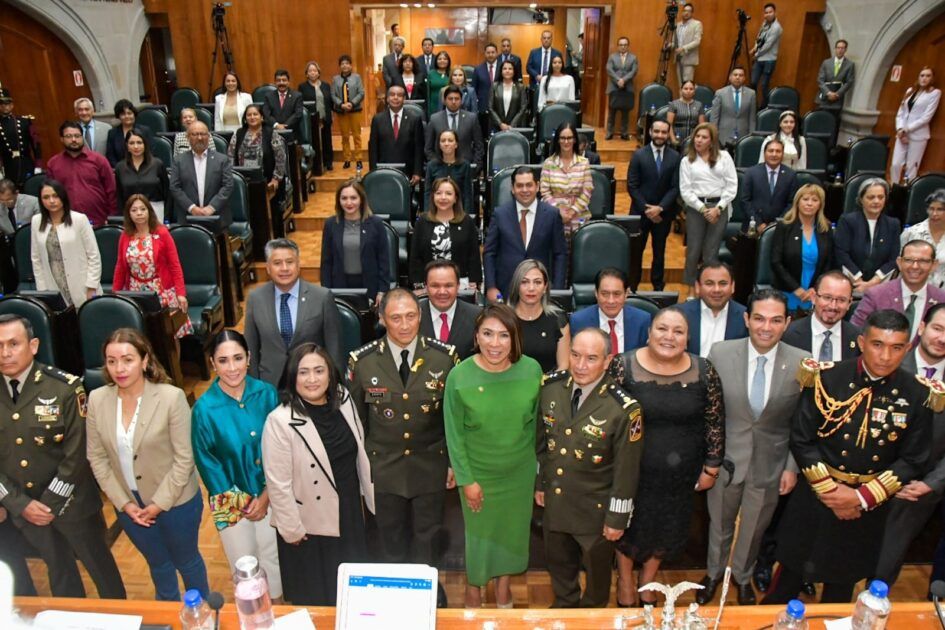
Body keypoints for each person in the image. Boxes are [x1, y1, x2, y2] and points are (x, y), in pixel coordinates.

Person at [763, 309, 936, 604]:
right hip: (816, 499)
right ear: (861, 342)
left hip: (866, 509)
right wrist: (832, 492)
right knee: (785, 585)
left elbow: (913, 459)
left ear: (907, 348)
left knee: (841, 591)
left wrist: (861, 498)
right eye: (877, 344)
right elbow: (802, 438)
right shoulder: (828, 377)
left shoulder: (918, 394)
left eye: (896, 348)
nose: (885, 356)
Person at [0, 314, 126, 599]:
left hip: (73, 505)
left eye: (13, 343)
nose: (5, 353)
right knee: (60, 574)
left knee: (103, 573)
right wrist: (19, 503)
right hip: (26, 508)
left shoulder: (64, 388)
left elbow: (78, 454)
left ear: (33, 345)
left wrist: (47, 504)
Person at [347, 289, 460, 607]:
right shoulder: (363, 361)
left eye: (411, 316)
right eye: (395, 317)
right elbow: (357, 423)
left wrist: (451, 462)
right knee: (390, 538)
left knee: (429, 535)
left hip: (430, 464)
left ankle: (426, 590)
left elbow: (453, 419)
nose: (405, 324)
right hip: (384, 468)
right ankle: (396, 596)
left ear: (420, 316)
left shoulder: (444, 357)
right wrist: (362, 470)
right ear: (382, 320)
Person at [696, 290, 807, 606]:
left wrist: (791, 467)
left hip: (770, 464)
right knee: (719, 524)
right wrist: (709, 458)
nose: (766, 327)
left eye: (775, 320)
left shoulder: (801, 362)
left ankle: (742, 578)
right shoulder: (720, 352)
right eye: (759, 318)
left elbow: (800, 422)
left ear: (786, 323)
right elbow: (709, 412)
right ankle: (714, 574)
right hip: (726, 462)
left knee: (755, 529)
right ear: (746, 319)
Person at [609, 306, 724, 607]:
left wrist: (711, 467)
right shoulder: (623, 365)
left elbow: (714, 422)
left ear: (688, 338)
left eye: (678, 331)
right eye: (662, 328)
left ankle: (647, 579)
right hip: (631, 473)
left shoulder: (705, 370)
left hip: (679, 476)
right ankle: (624, 579)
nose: (669, 336)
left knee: (665, 527)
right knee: (627, 526)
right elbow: (607, 419)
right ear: (649, 333)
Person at [85, 328, 208, 601]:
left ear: (144, 360)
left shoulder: (171, 397)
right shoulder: (97, 399)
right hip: (129, 505)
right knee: (159, 566)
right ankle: (167, 616)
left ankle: (204, 616)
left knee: (187, 562)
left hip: (175, 501)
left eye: (127, 359)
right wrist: (124, 503)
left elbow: (184, 458)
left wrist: (158, 504)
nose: (119, 368)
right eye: (111, 360)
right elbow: (97, 457)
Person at [536, 328, 643, 608]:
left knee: (597, 581)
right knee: (559, 567)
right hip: (557, 502)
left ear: (607, 361)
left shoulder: (624, 409)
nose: (581, 365)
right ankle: (565, 606)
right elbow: (542, 444)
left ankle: (591, 617)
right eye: (575, 355)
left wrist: (617, 519)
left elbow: (626, 471)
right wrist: (540, 484)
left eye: (591, 358)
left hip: (595, 514)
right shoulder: (550, 387)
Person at [445, 304, 543, 608]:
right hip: (479, 474)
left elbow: (538, 427)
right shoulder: (459, 376)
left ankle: (503, 588)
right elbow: (454, 436)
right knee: (480, 536)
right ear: (476, 336)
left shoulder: (532, 370)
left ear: (514, 339)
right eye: (487, 334)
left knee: (511, 535)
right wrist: (467, 480)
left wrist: (538, 476)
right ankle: (474, 589)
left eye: (503, 335)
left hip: (519, 474)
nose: (495, 343)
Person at [262, 343, 374, 605]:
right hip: (309, 525)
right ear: (292, 377)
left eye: (319, 370)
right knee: (317, 597)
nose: (312, 379)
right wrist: (291, 530)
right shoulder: (279, 421)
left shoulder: (343, 399)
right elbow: (278, 484)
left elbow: (359, 449)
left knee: (351, 591)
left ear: (330, 373)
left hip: (348, 511)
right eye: (303, 372)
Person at [191, 329, 282, 600]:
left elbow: (281, 448)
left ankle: (277, 609)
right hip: (230, 504)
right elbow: (207, 462)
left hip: (271, 495)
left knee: (273, 560)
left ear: (249, 358)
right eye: (223, 360)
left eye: (238, 358)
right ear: (212, 363)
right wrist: (242, 503)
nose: (232, 368)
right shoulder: (204, 409)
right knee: (244, 566)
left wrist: (266, 496)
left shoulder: (267, 394)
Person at [875, 303, 945, 590]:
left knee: (885, 565)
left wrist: (932, 483)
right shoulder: (885, 361)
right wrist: (885, 481)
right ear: (921, 328)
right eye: (938, 328)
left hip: (919, 492)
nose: (943, 338)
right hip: (870, 481)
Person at [245, 238, 344, 386]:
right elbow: (250, 348)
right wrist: (254, 387)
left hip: (312, 382)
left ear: (298, 265)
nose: (284, 268)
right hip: (270, 384)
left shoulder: (322, 297)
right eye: (277, 263)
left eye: (290, 262)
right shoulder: (255, 298)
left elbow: (334, 348)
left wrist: (336, 385)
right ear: (268, 268)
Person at [483, 166, 568, 303]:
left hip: (540, 290)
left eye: (529, 185)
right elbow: (489, 253)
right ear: (512, 188)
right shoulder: (500, 214)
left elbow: (560, 254)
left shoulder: (552, 215)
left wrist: (557, 289)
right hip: (506, 289)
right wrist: (491, 286)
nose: (524, 190)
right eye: (519, 186)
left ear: (537, 186)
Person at [112, 194, 192, 337]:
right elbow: (120, 267)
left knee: (169, 334)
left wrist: (181, 293)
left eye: (143, 209)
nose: (139, 213)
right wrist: (115, 294)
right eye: (134, 210)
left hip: (162, 290)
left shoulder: (162, 233)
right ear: (128, 214)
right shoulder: (125, 235)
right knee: (143, 332)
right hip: (136, 290)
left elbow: (175, 265)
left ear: (149, 211)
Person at [679, 122, 738, 292]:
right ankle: (691, 289)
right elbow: (685, 190)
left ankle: (707, 288)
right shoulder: (686, 161)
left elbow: (732, 185)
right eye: (697, 136)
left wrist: (718, 208)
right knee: (693, 250)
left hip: (719, 208)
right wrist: (703, 209)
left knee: (710, 253)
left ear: (712, 141)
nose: (699, 140)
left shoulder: (724, 157)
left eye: (704, 137)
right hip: (696, 208)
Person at [851, 240, 945, 338]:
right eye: (908, 260)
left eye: (923, 261)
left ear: (934, 265)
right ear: (899, 263)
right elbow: (855, 333)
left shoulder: (942, 300)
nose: (915, 266)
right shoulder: (876, 295)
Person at [30, 179, 101, 308]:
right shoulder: (36, 221)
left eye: (55, 196)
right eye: (46, 197)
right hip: (52, 285)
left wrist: (92, 285)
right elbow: (36, 258)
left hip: (82, 284)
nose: (51, 201)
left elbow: (94, 255)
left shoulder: (79, 219)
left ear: (63, 197)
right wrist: (43, 290)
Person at [628, 119, 681, 291]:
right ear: (650, 132)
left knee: (659, 253)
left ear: (668, 134)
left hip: (663, 214)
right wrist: (648, 209)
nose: (660, 135)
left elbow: (675, 187)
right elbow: (632, 186)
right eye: (656, 131)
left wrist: (660, 208)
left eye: (664, 132)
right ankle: (633, 287)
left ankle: (658, 288)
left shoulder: (675, 157)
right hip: (640, 213)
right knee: (636, 253)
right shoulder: (639, 155)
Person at [320, 179, 390, 305]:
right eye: (344, 198)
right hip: (339, 286)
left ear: (361, 199)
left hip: (370, 287)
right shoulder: (331, 224)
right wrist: (326, 291)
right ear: (338, 201)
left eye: (353, 198)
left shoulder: (376, 224)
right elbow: (326, 261)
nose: (349, 202)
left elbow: (383, 260)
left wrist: (382, 290)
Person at [409, 177, 481, 291]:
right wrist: (418, 285)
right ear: (433, 197)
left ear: (455, 198)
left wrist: (473, 283)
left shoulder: (467, 221)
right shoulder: (422, 221)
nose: (443, 197)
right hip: (429, 284)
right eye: (438, 193)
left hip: (460, 283)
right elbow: (415, 257)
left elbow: (473, 256)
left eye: (448, 193)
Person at [770, 184, 834, 312]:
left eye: (815, 200)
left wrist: (815, 289)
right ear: (797, 202)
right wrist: (797, 289)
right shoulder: (784, 226)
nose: (809, 203)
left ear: (820, 205)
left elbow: (828, 263)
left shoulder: (825, 228)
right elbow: (776, 262)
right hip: (787, 290)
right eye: (805, 199)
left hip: (814, 293)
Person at [834, 177, 900, 292]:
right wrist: (858, 280)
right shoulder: (847, 221)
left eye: (881, 197)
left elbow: (894, 258)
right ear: (861, 199)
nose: (876, 201)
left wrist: (872, 283)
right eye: (871, 197)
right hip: (851, 283)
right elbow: (841, 253)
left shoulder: (893, 224)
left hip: (880, 285)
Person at [45, 120, 116, 226]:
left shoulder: (99, 160)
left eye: (77, 136)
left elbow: (111, 190)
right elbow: (51, 194)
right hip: (67, 221)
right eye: (69, 136)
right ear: (62, 139)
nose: (74, 139)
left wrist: (111, 217)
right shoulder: (53, 164)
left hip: (98, 219)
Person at [781, 271, 861, 362]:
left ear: (849, 303)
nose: (833, 306)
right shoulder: (788, 335)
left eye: (841, 300)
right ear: (814, 298)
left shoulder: (858, 338)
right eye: (827, 297)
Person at [507, 259, 570, 373]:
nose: (531, 288)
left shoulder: (558, 319)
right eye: (524, 282)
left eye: (537, 282)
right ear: (517, 286)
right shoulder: (504, 318)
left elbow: (563, 366)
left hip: (548, 385)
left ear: (545, 287)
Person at [169, 121, 234, 228]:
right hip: (188, 217)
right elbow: (175, 187)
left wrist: (211, 207)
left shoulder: (222, 159)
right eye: (195, 134)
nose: (199, 138)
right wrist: (192, 208)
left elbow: (228, 186)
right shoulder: (179, 161)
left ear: (208, 137)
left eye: (203, 134)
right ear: (188, 137)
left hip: (217, 217)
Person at [570, 267, 651, 353]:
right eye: (605, 294)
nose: (611, 301)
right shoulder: (579, 321)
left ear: (626, 293)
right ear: (596, 293)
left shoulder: (642, 320)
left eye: (617, 294)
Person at [678, 262, 749, 357]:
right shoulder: (679, 314)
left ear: (732, 287)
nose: (716, 289)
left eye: (723, 283)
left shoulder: (746, 317)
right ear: (698, 287)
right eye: (709, 283)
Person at [419, 260, 482, 359]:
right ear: (426, 287)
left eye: (448, 285)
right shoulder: (410, 315)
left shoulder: (478, 317)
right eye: (435, 286)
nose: (442, 292)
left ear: (458, 286)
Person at [540, 122, 593, 236]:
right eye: (562, 138)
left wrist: (573, 211)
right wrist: (559, 211)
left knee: (578, 251)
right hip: (554, 214)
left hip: (578, 215)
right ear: (558, 140)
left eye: (569, 138)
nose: (566, 141)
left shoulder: (584, 163)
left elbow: (587, 191)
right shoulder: (549, 163)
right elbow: (545, 192)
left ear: (574, 140)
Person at [891, 67, 941, 184]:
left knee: (911, 167)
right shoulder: (910, 91)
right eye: (922, 75)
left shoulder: (934, 93)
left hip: (918, 135)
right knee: (895, 164)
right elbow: (901, 112)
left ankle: (906, 192)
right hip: (901, 133)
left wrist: (906, 129)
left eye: (928, 76)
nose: (924, 78)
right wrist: (899, 128)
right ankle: (894, 188)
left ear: (932, 78)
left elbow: (926, 118)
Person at [227, 104, 287, 197]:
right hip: (243, 182)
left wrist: (276, 179)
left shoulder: (270, 133)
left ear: (261, 117)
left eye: (255, 114)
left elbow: (280, 158)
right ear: (245, 118)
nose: (252, 117)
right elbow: (230, 157)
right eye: (249, 115)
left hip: (267, 182)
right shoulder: (239, 133)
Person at [368, 85, 424, 183]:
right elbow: (373, 148)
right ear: (387, 98)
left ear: (404, 98)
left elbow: (418, 148)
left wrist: (417, 172)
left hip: (408, 172)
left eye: (399, 95)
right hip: (383, 170)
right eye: (392, 95)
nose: (395, 97)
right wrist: (373, 172)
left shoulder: (414, 119)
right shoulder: (377, 119)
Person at [741, 138, 798, 231]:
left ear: (782, 154)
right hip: (753, 227)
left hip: (780, 227)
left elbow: (792, 203)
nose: (774, 154)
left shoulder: (790, 175)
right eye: (771, 151)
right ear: (764, 153)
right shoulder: (751, 172)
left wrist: (777, 223)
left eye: (778, 151)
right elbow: (745, 201)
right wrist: (758, 223)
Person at [425, 85, 484, 171]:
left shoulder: (471, 118)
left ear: (461, 101)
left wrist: (475, 167)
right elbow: (428, 148)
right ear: (444, 101)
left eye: (456, 99)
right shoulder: (434, 119)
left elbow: (479, 146)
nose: (453, 102)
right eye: (450, 99)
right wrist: (437, 165)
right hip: (440, 169)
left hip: (465, 168)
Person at [114, 130, 169, 221]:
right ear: (127, 146)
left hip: (155, 211)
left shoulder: (157, 164)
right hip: (131, 213)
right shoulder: (120, 167)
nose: (136, 146)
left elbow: (167, 194)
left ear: (145, 145)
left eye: (139, 142)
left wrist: (166, 217)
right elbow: (119, 197)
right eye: (132, 143)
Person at [901, 189, 945, 288]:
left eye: (940, 209)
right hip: (915, 287)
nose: (934, 214)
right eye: (931, 209)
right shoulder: (911, 233)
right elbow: (900, 262)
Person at [422, 128, 473, 214]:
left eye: (450, 140)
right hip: (436, 212)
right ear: (439, 144)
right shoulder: (431, 165)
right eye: (443, 141)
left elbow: (467, 195)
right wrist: (428, 214)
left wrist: (466, 216)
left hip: (458, 212)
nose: (446, 143)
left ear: (456, 144)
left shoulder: (465, 165)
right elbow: (428, 193)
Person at [0, 88, 41, 189]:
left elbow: (36, 144)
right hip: (9, 166)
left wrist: (38, 165)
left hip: (26, 163)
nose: (5, 106)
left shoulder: (24, 121)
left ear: (12, 105)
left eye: (7, 103)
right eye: (2, 104)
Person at [297, 62, 334, 170]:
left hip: (325, 117)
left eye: (315, 71)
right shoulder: (302, 87)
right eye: (310, 71)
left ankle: (328, 162)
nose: (313, 73)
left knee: (327, 140)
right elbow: (301, 103)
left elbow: (330, 101)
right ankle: (315, 164)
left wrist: (331, 114)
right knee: (314, 141)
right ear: (307, 74)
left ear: (318, 73)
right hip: (311, 119)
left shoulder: (326, 85)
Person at [331, 55, 365, 170]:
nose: (345, 65)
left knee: (356, 135)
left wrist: (352, 103)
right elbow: (332, 95)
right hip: (341, 111)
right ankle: (347, 159)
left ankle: (359, 159)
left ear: (351, 65)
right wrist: (341, 104)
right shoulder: (336, 79)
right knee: (345, 136)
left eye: (347, 63)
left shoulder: (357, 77)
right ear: (340, 66)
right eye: (342, 64)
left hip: (355, 110)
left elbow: (361, 93)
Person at [815, 40, 855, 136]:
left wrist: (837, 94)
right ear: (835, 49)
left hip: (837, 100)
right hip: (825, 98)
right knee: (821, 122)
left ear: (845, 50)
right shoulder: (826, 62)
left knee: (833, 125)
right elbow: (820, 80)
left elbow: (849, 82)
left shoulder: (850, 65)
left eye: (842, 48)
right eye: (838, 48)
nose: (840, 50)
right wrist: (828, 93)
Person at [710, 67, 756, 147]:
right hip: (723, 135)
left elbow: (752, 118)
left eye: (741, 75)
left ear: (744, 78)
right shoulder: (720, 93)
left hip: (743, 135)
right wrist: (714, 135)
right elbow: (714, 117)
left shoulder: (751, 94)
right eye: (735, 75)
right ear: (730, 77)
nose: (738, 77)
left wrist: (751, 136)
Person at [604, 37, 638, 141]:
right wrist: (618, 80)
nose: (623, 47)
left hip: (627, 88)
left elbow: (634, 71)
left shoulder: (633, 58)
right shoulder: (612, 57)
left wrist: (624, 80)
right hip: (614, 87)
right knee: (612, 112)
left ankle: (624, 133)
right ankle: (610, 133)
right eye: (621, 45)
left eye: (625, 45)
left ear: (628, 46)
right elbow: (609, 69)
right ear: (618, 46)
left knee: (625, 113)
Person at [750, 3, 782, 107]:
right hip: (759, 59)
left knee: (764, 85)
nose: (768, 14)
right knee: (753, 82)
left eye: (770, 12)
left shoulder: (776, 28)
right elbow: (758, 38)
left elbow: (768, 45)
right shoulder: (764, 24)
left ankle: (765, 106)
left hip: (769, 59)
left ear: (775, 13)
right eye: (766, 12)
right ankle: (753, 104)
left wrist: (757, 54)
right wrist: (754, 48)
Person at [105, 99, 154, 167]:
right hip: (121, 171)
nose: (127, 116)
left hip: (144, 169)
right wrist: (121, 169)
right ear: (118, 116)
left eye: (129, 113)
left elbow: (151, 152)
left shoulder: (145, 131)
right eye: (123, 114)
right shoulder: (112, 133)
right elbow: (111, 156)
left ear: (134, 114)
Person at [489, 60, 529, 131]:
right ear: (501, 71)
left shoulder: (520, 87)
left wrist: (512, 125)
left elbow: (523, 108)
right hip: (497, 127)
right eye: (504, 69)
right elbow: (490, 108)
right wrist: (500, 124)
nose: (507, 71)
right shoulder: (494, 86)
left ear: (514, 71)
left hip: (514, 127)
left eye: (510, 69)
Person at [262, 69, 303, 136]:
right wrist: (276, 125)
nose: (281, 83)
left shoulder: (297, 96)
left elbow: (298, 114)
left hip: (291, 132)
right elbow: (266, 114)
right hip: (273, 133)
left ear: (288, 82)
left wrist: (284, 126)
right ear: (275, 82)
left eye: (284, 80)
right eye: (278, 80)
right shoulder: (268, 96)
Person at [666, 80, 705, 147]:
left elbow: (702, 125)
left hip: (693, 137)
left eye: (691, 89)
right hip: (677, 136)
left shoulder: (699, 105)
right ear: (681, 90)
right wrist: (673, 140)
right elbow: (669, 124)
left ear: (694, 91)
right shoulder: (673, 104)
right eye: (686, 89)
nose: (688, 91)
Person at [674, 3, 703, 85]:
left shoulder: (697, 24)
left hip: (689, 59)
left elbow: (697, 41)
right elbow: (676, 42)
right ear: (682, 12)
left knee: (687, 85)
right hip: (678, 58)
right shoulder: (678, 25)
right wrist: (670, 45)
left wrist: (683, 48)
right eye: (684, 11)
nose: (686, 13)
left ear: (692, 13)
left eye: (689, 11)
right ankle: (681, 98)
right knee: (680, 85)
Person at [471, 43, 500, 114]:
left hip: (500, 106)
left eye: (493, 52)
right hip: (483, 107)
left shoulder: (503, 68)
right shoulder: (478, 69)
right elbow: (474, 89)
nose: (490, 55)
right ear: (485, 54)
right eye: (488, 53)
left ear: (497, 53)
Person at [426, 51, 452, 117]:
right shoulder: (431, 73)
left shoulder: (452, 73)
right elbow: (427, 93)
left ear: (448, 61)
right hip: (433, 105)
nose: (442, 61)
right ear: (436, 61)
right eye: (439, 59)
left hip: (450, 105)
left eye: (445, 59)